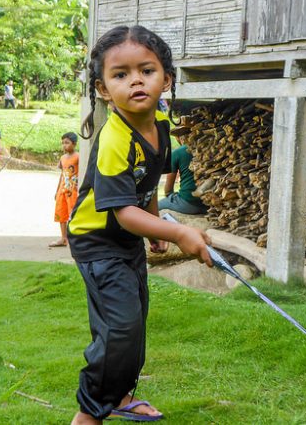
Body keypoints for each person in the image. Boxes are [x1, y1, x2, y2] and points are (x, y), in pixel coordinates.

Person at [68, 25, 212, 425]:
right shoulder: (114, 138)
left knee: (132, 322)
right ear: (102, 88)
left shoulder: (161, 121)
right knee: (120, 327)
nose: (135, 80)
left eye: (146, 70)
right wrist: (179, 231)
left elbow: (145, 181)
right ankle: (89, 413)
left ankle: (122, 395)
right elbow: (122, 212)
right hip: (97, 240)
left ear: (166, 78)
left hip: (127, 237)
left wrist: (153, 225)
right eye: (120, 74)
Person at [158, 117, 208, 215]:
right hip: (208, 204)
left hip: (188, 203)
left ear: (179, 137)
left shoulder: (177, 152)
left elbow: (168, 189)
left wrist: (171, 197)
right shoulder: (208, 148)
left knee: (155, 207)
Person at [49, 132, 79, 248]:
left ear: (74, 144)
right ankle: (63, 238)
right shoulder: (62, 158)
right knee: (62, 213)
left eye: (67, 143)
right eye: (63, 143)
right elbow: (62, 174)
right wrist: (57, 190)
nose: (64, 146)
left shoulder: (78, 156)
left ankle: (75, 239)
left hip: (73, 190)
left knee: (73, 214)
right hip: (63, 189)